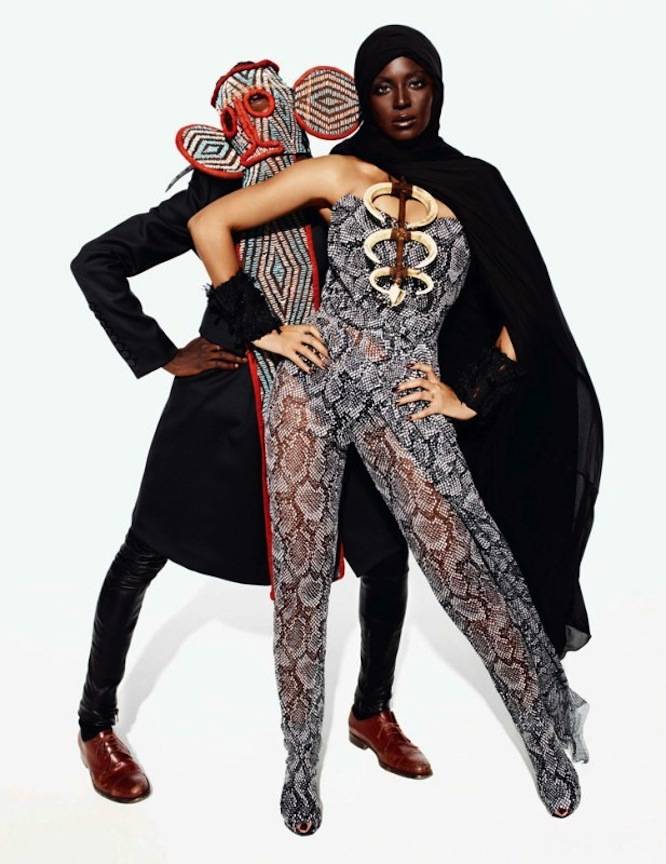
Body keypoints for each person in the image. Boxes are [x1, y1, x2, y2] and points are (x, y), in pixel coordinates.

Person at [188, 24, 601, 833]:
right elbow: (213, 227)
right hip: (312, 382)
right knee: (302, 576)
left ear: (437, 89)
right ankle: (299, 765)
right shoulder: (338, 172)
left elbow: (528, 306)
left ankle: (544, 736)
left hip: (406, 394)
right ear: (361, 95)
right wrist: (263, 328)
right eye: (383, 86)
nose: (402, 101)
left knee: (464, 568)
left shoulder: (475, 186)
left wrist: (468, 393)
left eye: (417, 83)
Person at [70, 58, 432, 804]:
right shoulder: (211, 195)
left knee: (385, 556)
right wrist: (162, 353)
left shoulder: (335, 184)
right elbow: (97, 261)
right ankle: (94, 724)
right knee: (142, 554)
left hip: (327, 403)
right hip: (226, 402)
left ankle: (371, 712)